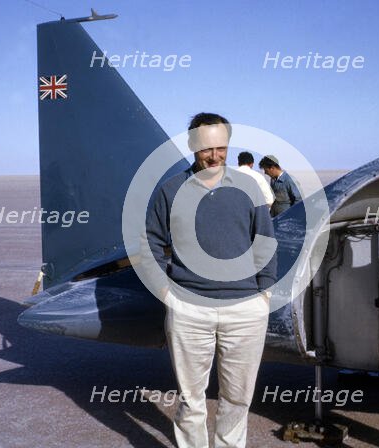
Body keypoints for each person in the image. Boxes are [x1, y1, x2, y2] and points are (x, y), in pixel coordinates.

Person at [143, 113, 277, 448]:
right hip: (190, 308)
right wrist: (165, 290)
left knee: (237, 399)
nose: (215, 156)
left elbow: (265, 240)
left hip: (245, 309)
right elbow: (148, 244)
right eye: (206, 149)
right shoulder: (170, 191)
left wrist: (264, 293)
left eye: (222, 148)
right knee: (191, 399)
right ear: (192, 145)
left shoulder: (248, 188)